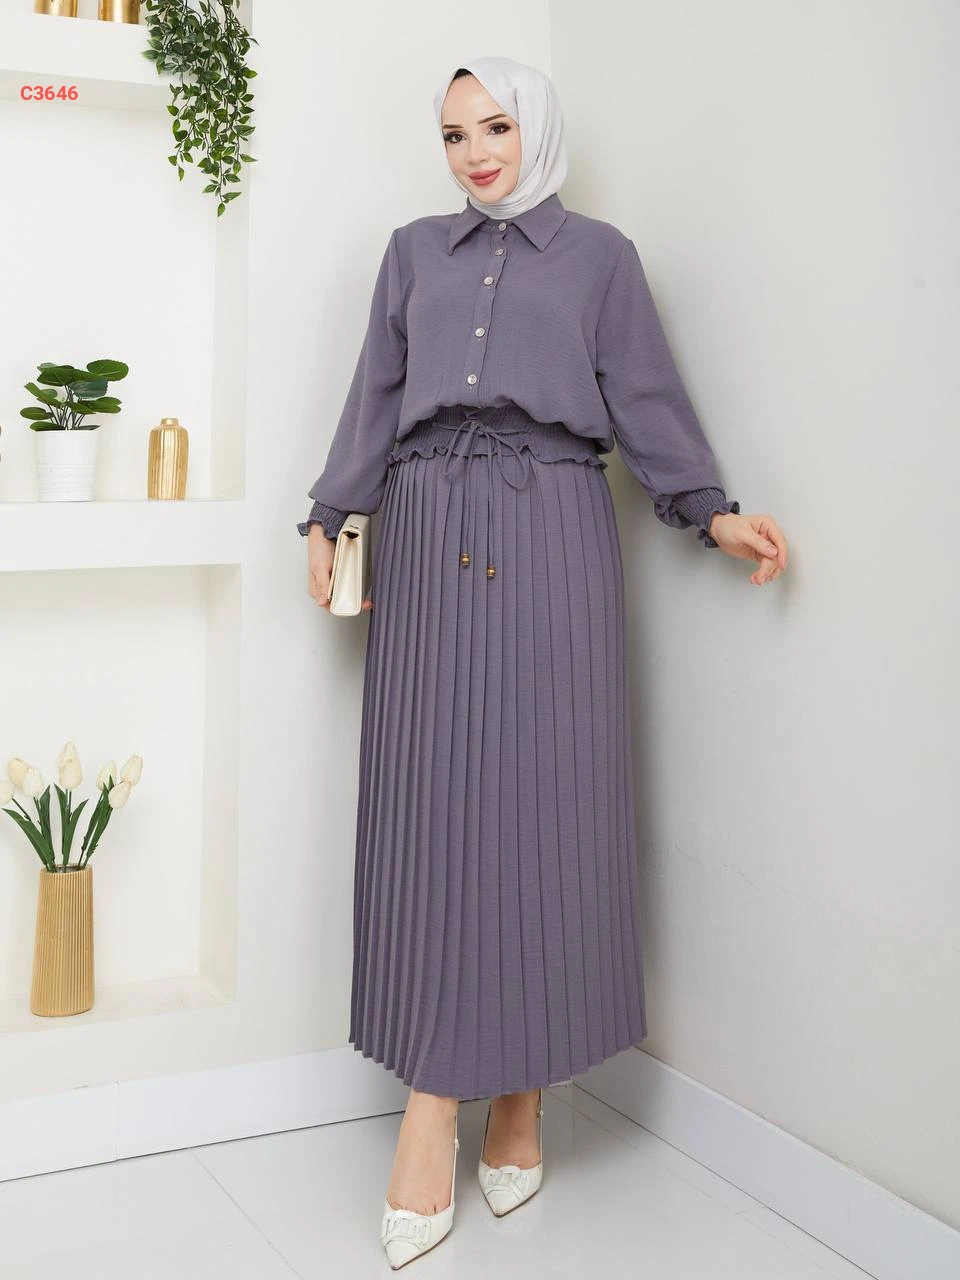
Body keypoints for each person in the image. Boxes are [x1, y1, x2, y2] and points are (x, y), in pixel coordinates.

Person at [298, 55, 788, 1268]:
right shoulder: (412, 253)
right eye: (455, 134)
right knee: (431, 814)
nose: (475, 153)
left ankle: (518, 1094)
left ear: (537, 131)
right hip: (429, 528)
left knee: (543, 808)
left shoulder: (602, 259)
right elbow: (374, 395)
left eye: (497, 127)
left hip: (555, 531)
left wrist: (712, 511)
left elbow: (645, 397)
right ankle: (433, 1103)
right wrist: (329, 511)